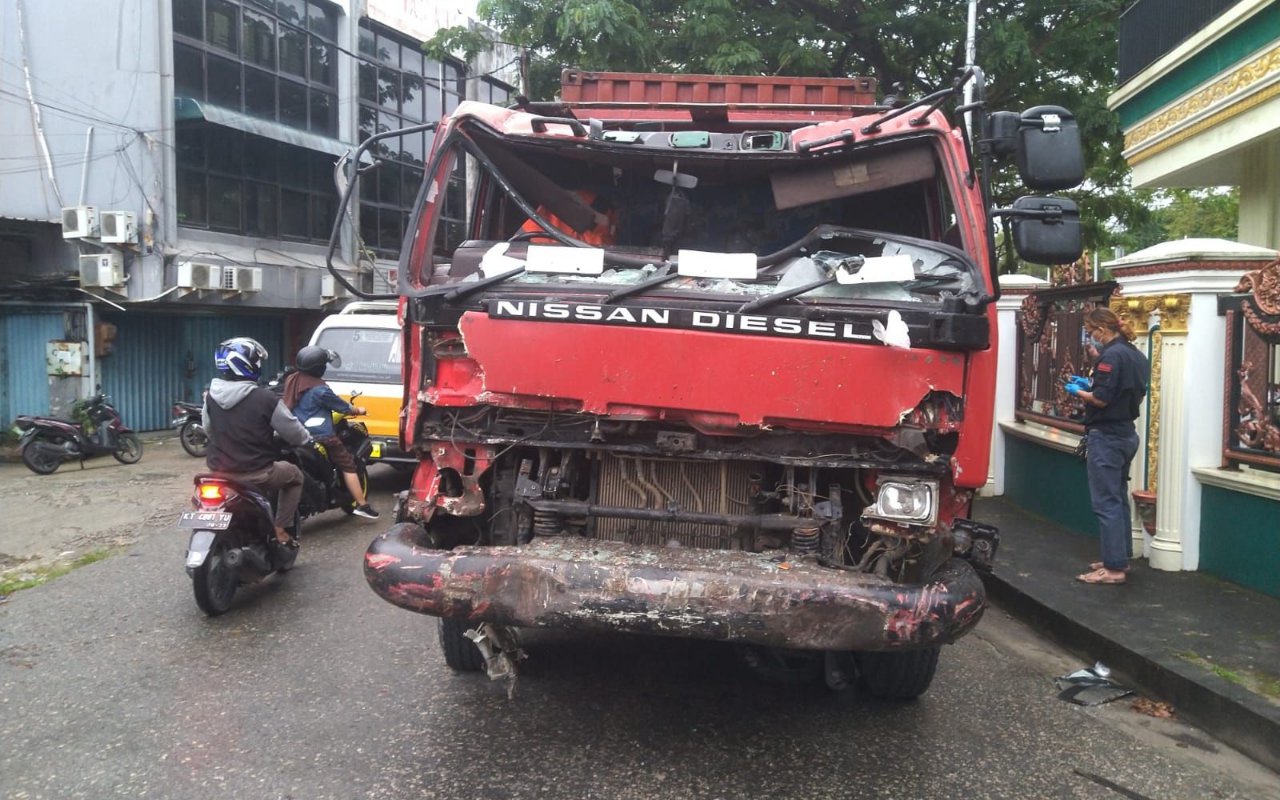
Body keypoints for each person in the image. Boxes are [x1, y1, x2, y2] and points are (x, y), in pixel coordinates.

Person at [1065, 307, 1150, 585]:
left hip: (1107, 436)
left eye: (1091, 332)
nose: (1091, 338)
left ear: (1102, 330)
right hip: (1127, 434)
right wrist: (1089, 384)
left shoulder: (1111, 356)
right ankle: (1119, 556)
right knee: (1118, 497)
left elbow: (1101, 399)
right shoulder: (1136, 354)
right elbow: (1119, 391)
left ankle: (1113, 569)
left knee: (1106, 502)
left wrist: (1079, 391)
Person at [203, 337, 310, 547]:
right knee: (295, 476)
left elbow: (209, 429)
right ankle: (280, 529)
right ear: (247, 364)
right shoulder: (266, 399)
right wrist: (307, 438)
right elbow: (295, 434)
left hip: (218, 475)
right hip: (257, 474)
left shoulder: (210, 397)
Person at [282, 346, 379, 519]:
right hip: (320, 436)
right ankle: (362, 505)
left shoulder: (292, 379)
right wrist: (359, 410)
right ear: (320, 368)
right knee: (347, 464)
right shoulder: (321, 390)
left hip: (293, 433)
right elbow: (344, 407)